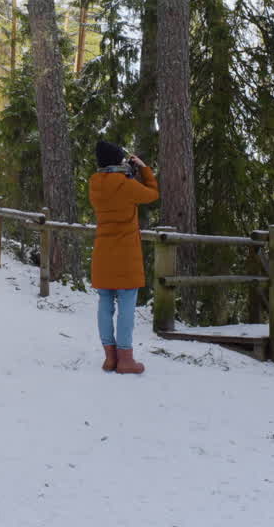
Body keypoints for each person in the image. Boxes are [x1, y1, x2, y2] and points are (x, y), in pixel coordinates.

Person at [89, 139, 158, 374]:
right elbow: (152, 194)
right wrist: (144, 169)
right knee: (127, 304)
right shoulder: (126, 185)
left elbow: (113, 190)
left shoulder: (95, 184)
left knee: (105, 303)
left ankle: (110, 358)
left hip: (102, 254)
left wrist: (125, 173)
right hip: (126, 255)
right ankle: (126, 358)